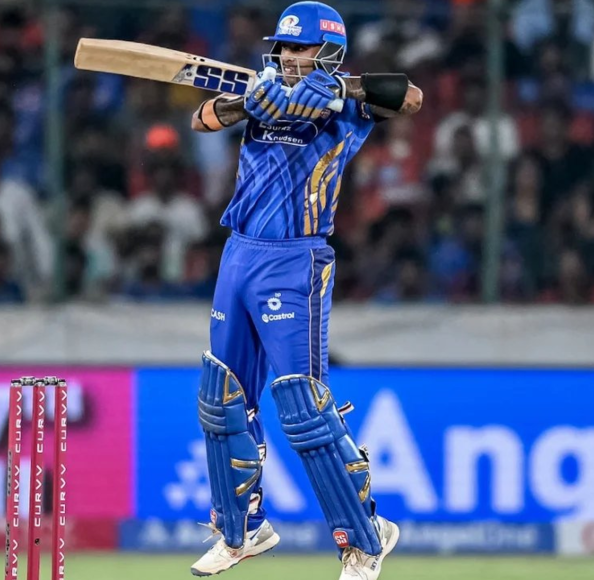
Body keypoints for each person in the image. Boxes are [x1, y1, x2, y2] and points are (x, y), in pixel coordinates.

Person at [187, 3, 422, 579]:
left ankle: (366, 539)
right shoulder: (263, 90)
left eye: (301, 48)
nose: (290, 56)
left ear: (329, 52)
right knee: (221, 398)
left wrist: (340, 90)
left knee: (303, 406)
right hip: (239, 252)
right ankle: (241, 530)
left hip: (296, 259)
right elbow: (201, 119)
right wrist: (251, 99)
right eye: (285, 47)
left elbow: (411, 97)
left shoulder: (350, 101)